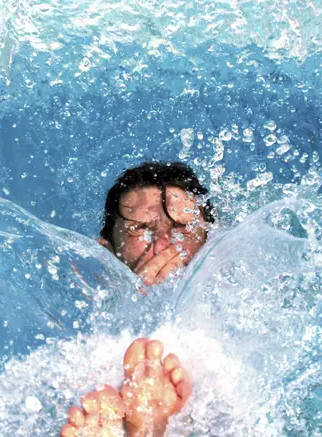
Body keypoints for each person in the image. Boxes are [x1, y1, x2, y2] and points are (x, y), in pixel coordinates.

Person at [60, 162, 215, 437]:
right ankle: (150, 424)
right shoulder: (87, 359)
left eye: (182, 228)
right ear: (106, 258)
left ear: (211, 243)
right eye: (141, 229)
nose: (164, 243)